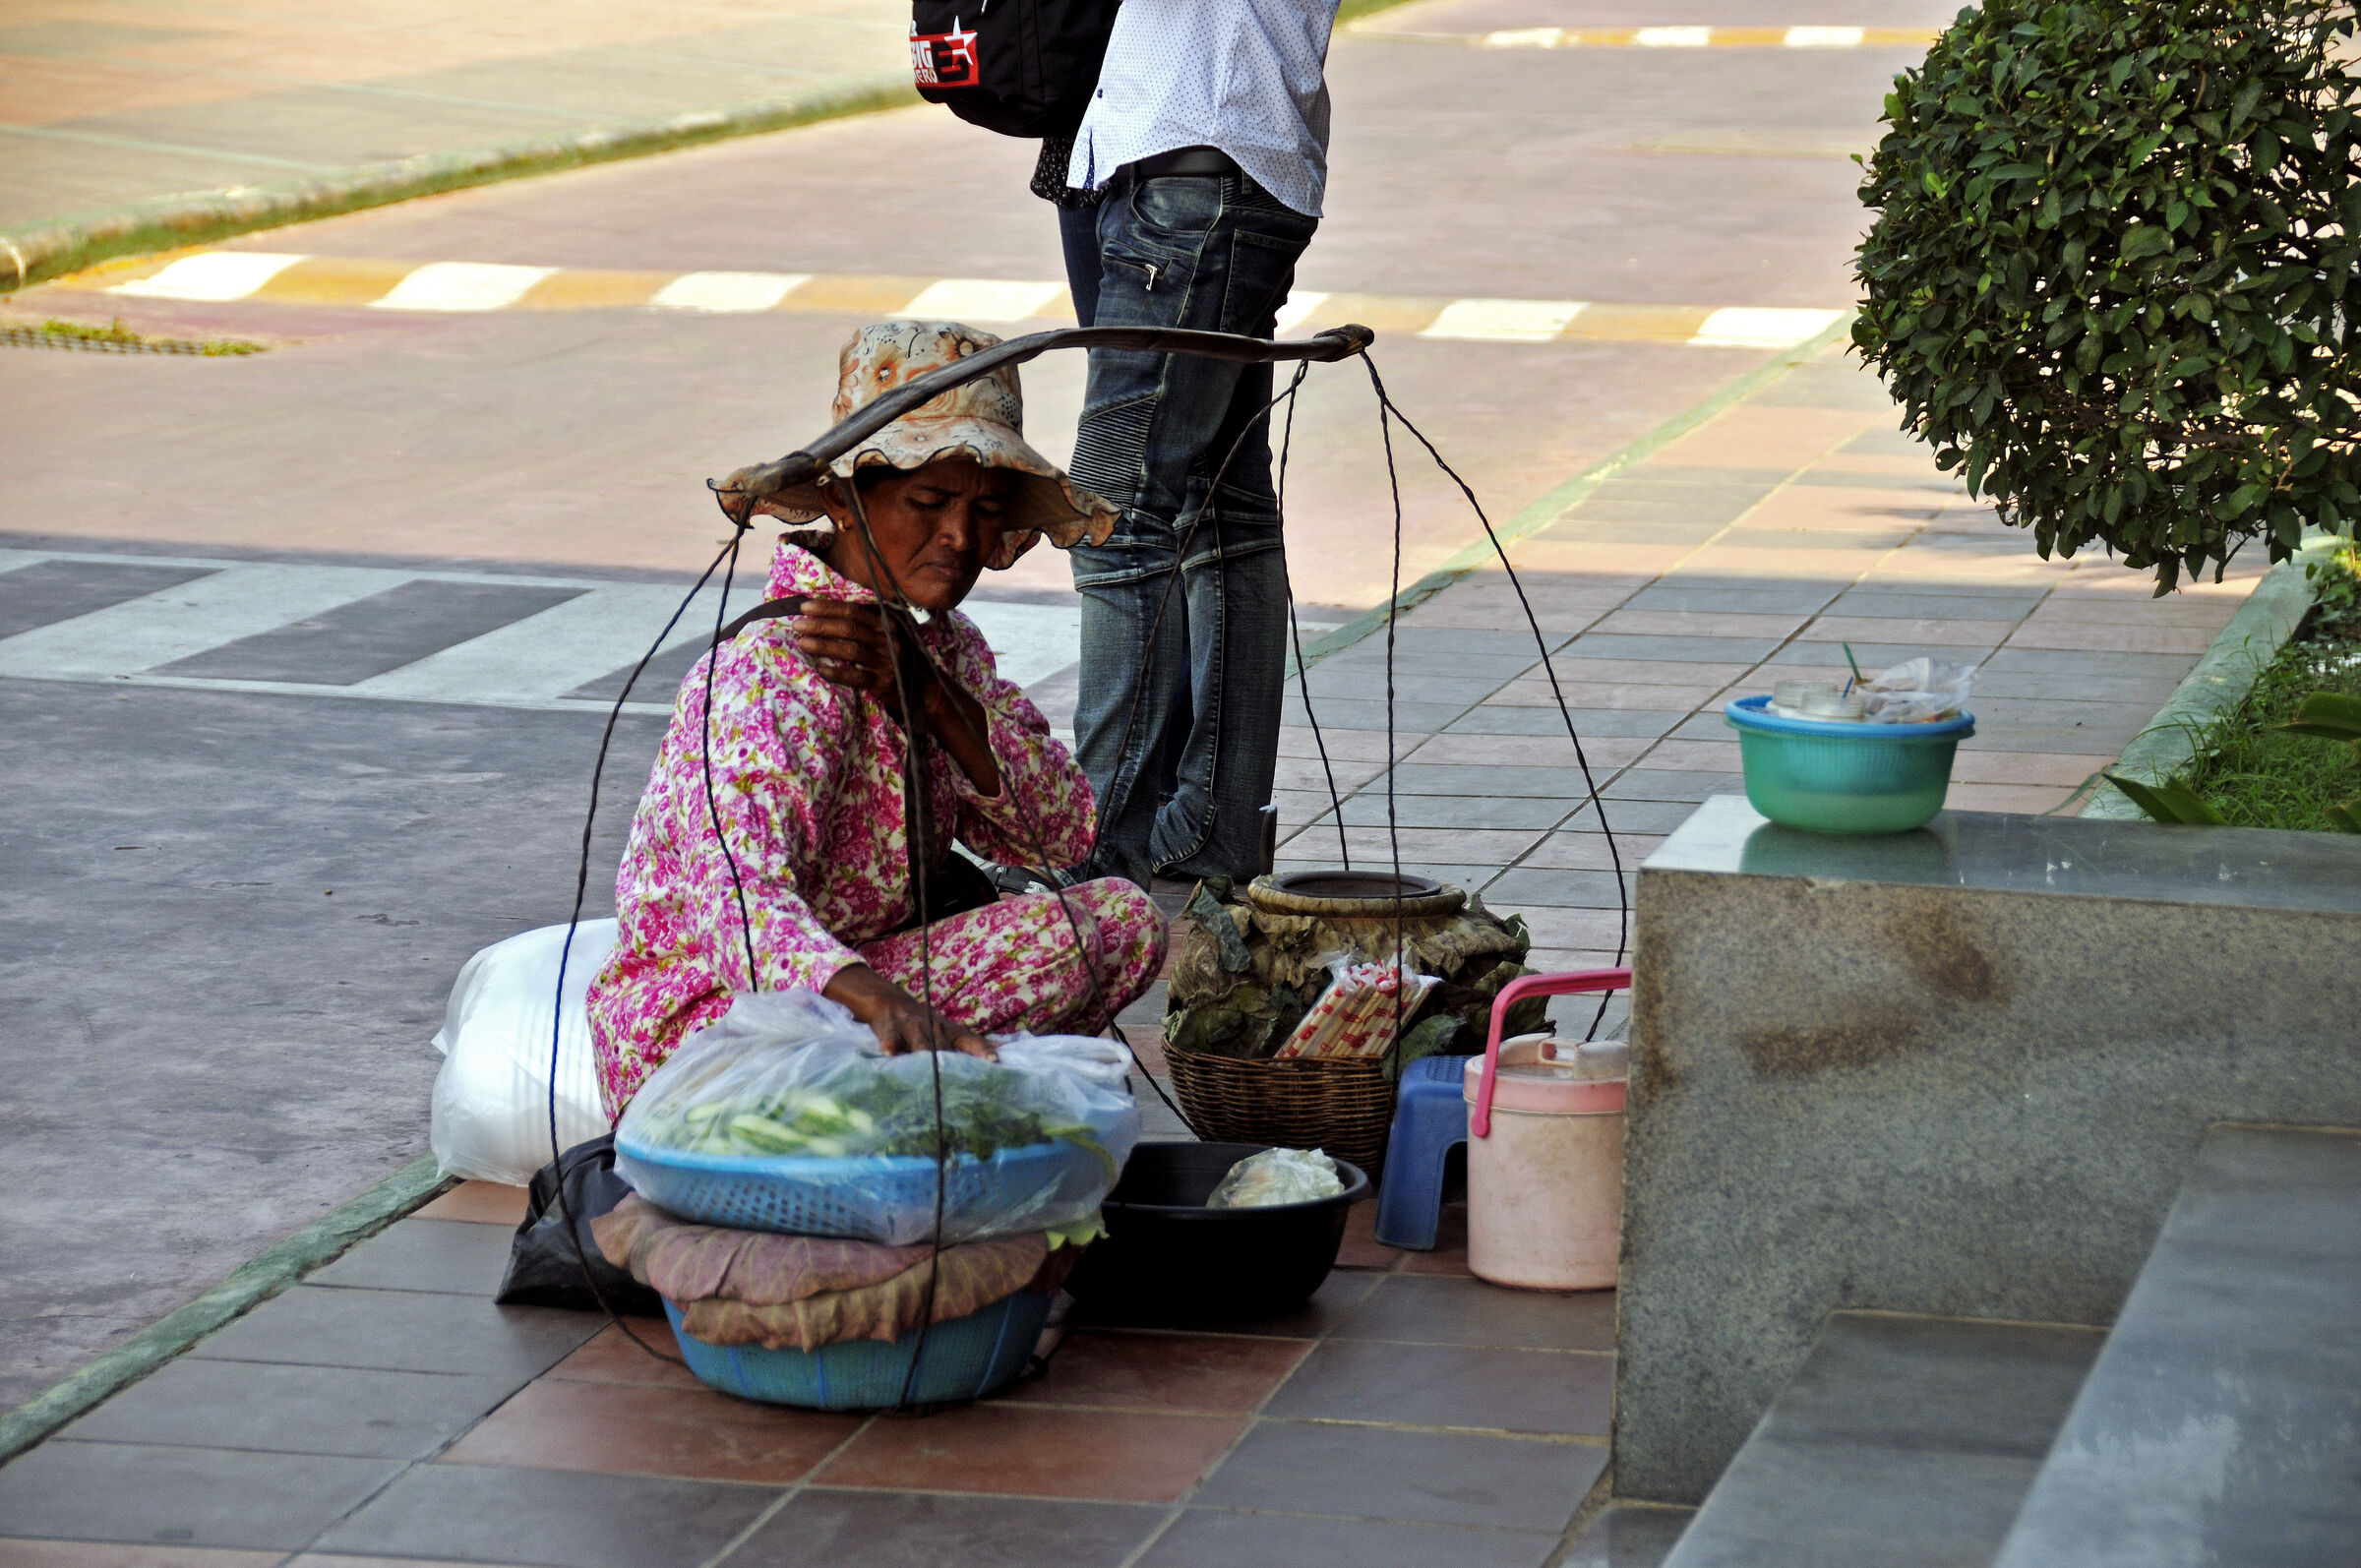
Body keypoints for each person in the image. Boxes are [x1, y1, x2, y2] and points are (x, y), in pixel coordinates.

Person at [586, 321, 1167, 1117]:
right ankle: (896, 1093)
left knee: (1121, 923)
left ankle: (902, 1098)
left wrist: (931, 701)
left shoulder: (947, 653)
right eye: (928, 502)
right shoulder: (776, 668)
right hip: (712, 1027)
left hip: (857, 986)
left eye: (985, 511)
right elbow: (739, 900)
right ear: (842, 497)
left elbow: (1059, 834)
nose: (960, 537)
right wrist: (880, 1004)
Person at [1054, 0, 1345, 889]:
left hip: (1196, 168)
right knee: (1226, 513)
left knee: (1113, 515)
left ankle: (1103, 840)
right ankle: (1212, 831)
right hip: (1232, 161)